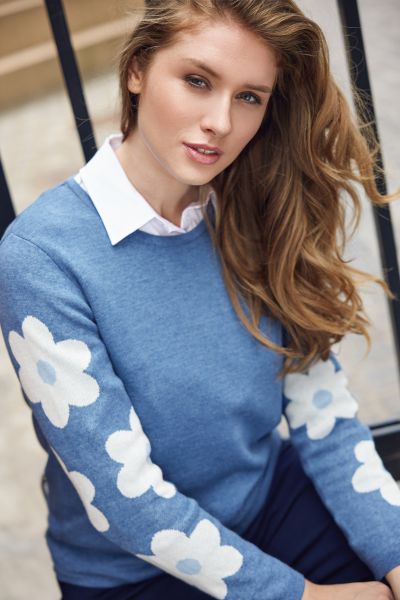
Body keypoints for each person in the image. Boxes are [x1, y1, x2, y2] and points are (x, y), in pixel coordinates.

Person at [0, 0, 399, 598]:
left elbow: (327, 422)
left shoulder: (256, 209)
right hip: (135, 571)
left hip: (271, 503)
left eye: (250, 97)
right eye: (197, 80)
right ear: (137, 70)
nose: (221, 121)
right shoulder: (41, 256)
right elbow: (126, 501)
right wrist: (304, 597)